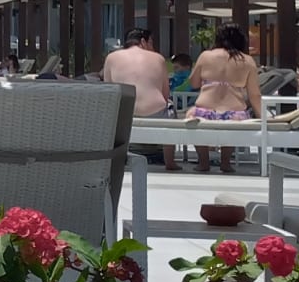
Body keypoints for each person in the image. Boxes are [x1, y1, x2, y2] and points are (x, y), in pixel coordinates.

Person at [189, 25, 260, 175]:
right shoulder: (247, 61)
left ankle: (203, 161)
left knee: (191, 115)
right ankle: (226, 162)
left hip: (204, 112)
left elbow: (194, 83)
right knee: (235, 122)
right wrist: (263, 118)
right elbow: (254, 94)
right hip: (235, 115)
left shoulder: (206, 56)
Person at [101, 27, 173, 169]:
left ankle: (113, 159)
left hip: (125, 114)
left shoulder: (112, 58)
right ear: (143, 42)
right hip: (155, 112)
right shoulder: (158, 58)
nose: (152, 47)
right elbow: (165, 94)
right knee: (170, 108)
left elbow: (109, 92)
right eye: (151, 43)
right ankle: (170, 161)